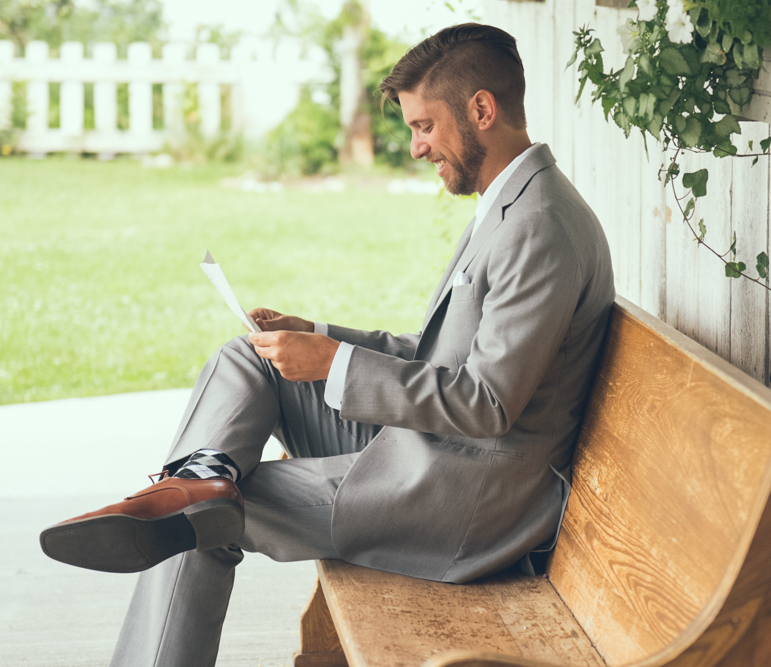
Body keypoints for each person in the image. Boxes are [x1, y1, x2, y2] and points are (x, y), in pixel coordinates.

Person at [39, 22, 615, 667]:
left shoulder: (538, 226)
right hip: (425, 453)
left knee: (207, 517)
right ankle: (196, 478)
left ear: (481, 110)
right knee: (245, 362)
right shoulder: (510, 205)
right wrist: (318, 337)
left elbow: (486, 403)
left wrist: (335, 365)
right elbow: (440, 356)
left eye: (425, 126)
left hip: (460, 503)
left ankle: (193, 493)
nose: (419, 147)